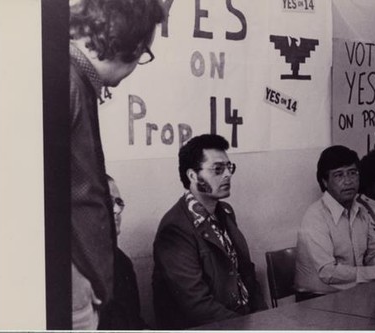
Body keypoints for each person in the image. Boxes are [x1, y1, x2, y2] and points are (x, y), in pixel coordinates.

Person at [69, 0, 165, 329]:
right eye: (146, 54)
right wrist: (72, 276)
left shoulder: (74, 80)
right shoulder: (65, 83)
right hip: (70, 290)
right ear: (135, 45)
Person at [152, 134, 268, 329]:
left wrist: (266, 319)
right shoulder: (175, 229)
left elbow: (247, 274)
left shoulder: (226, 212)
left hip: (239, 321)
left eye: (229, 167)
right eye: (217, 169)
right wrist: (247, 327)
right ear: (192, 176)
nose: (227, 175)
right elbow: (197, 306)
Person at [294, 145, 375, 298]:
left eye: (353, 173)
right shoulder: (315, 217)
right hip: (317, 299)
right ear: (325, 182)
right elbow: (328, 272)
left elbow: (373, 255)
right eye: (339, 175)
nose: (348, 181)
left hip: (354, 294)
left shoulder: (360, 211)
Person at [98, 176, 149, 330]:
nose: (117, 210)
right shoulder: (73, 269)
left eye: (119, 203)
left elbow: (133, 322)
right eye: (108, 202)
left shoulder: (122, 262)